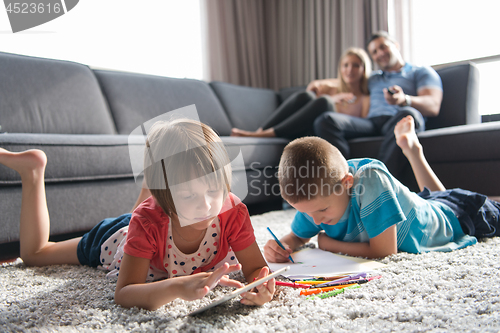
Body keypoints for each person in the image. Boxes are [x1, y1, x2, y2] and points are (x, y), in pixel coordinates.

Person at [0, 119, 275, 311]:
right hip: (122, 233)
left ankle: (152, 184)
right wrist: (176, 288)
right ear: (166, 197)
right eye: (189, 195)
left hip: (157, 216)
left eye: (214, 190)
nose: (206, 205)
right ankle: (32, 171)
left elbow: (255, 270)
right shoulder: (146, 222)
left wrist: (261, 288)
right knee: (36, 254)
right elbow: (125, 293)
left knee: (153, 213)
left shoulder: (232, 210)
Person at [263, 116, 499, 261]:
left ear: (347, 183)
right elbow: (297, 236)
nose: (316, 222)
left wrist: (327, 243)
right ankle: (412, 152)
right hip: (426, 206)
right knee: (435, 200)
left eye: (322, 211)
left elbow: (386, 251)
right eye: (306, 213)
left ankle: (413, 151)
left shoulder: (371, 180)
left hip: (462, 216)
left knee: (446, 205)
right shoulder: (315, 199)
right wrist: (282, 246)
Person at [314, 31, 443, 179]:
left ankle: (379, 181)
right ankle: (344, 176)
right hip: (371, 123)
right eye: (374, 52)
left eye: (383, 47)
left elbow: (433, 106)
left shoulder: (419, 72)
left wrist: (404, 100)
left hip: (399, 118)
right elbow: (344, 78)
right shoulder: (373, 78)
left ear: (395, 45)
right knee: (326, 120)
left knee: (409, 114)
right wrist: (318, 83)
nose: (380, 53)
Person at [230, 47, 371, 139]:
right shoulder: (331, 88)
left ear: (364, 69)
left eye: (355, 65)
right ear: (340, 69)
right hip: (301, 125)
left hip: (321, 131)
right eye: (345, 65)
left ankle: (264, 134)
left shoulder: (365, 98)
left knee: (325, 102)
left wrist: (330, 102)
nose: (349, 70)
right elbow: (312, 87)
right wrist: (334, 98)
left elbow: (360, 126)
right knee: (306, 96)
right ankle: (261, 131)